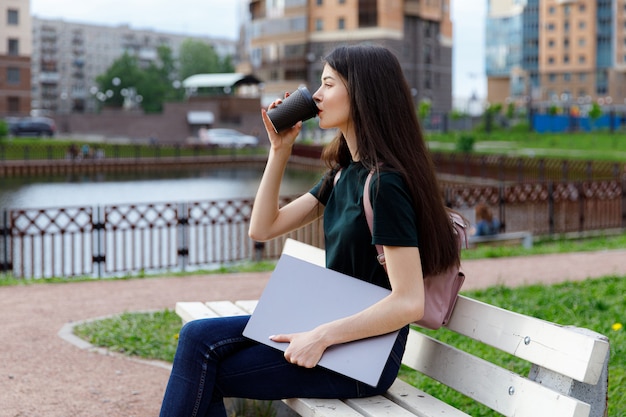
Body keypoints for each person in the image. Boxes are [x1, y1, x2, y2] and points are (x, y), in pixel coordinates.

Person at [159, 44, 461, 417]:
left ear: (363, 93)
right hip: (333, 329)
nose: (316, 95)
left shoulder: (385, 186)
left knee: (211, 369)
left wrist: (320, 337)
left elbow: (409, 301)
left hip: (365, 356)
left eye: (329, 84)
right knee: (196, 337)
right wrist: (279, 149)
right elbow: (263, 228)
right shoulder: (343, 175)